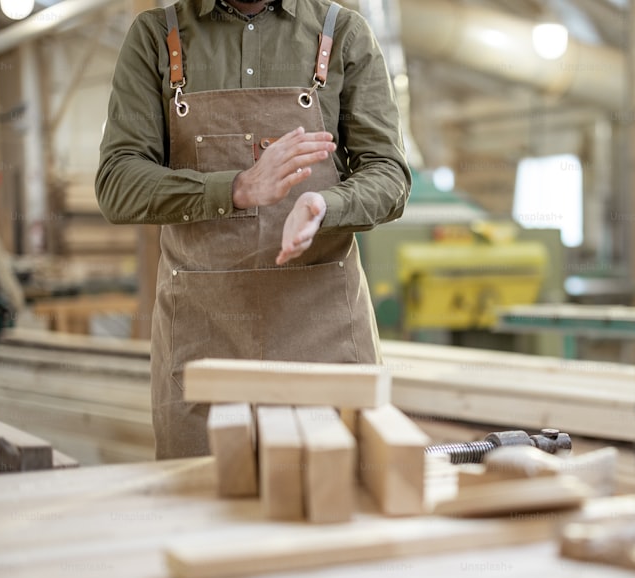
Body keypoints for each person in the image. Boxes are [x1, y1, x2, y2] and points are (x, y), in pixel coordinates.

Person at [96, 0, 411, 459]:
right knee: (202, 505)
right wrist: (237, 188)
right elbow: (117, 184)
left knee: (333, 503)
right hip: (203, 343)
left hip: (323, 335)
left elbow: (390, 174)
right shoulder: (156, 38)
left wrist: (326, 204)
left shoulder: (342, 32)